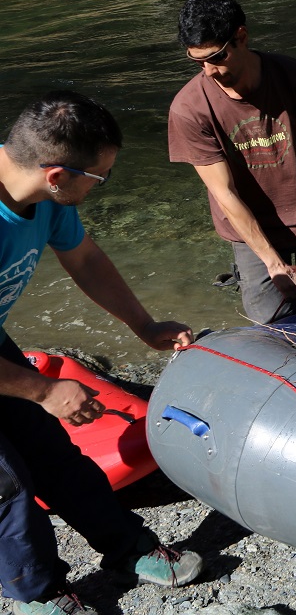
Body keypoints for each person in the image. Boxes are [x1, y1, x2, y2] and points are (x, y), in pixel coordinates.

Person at [0, 91, 203, 615]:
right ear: (56, 175)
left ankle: (127, 548)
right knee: (7, 485)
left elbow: (86, 260)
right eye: (99, 177)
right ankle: (38, 596)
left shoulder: (42, 198)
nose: (101, 184)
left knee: (51, 451)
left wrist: (144, 325)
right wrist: (43, 389)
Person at [169, 0, 296, 325]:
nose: (209, 70)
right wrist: (271, 261)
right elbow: (224, 193)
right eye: (198, 61)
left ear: (241, 36)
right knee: (275, 330)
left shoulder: (291, 74)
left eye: (217, 57)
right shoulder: (189, 109)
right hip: (251, 233)